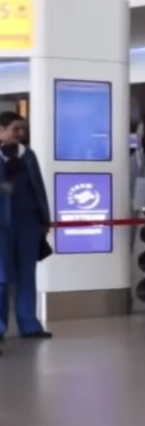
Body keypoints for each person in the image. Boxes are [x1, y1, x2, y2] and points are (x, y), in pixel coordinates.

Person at [0, 112, 51, 346]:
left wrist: (44, 219)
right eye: (15, 129)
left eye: (23, 129)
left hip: (28, 222)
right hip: (3, 225)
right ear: (1, 130)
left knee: (27, 275)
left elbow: (38, 187)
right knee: (2, 278)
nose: (21, 134)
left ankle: (29, 324)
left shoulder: (28, 155)